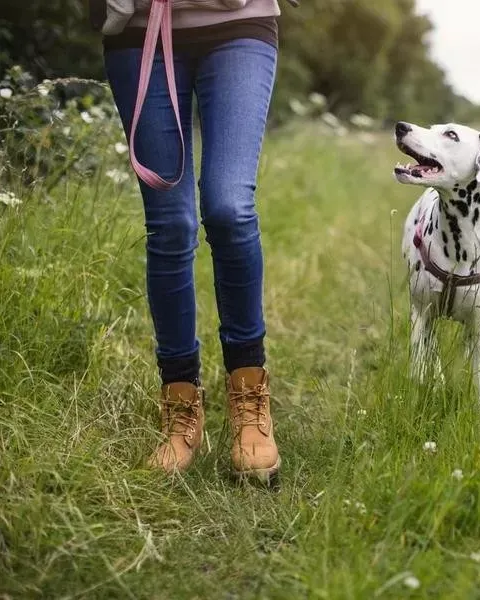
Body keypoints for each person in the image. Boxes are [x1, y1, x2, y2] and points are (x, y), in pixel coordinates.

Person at [91, 0, 290, 482]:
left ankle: (248, 395)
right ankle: (180, 406)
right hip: (140, 32)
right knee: (170, 224)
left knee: (229, 208)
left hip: (238, 24)